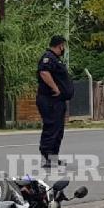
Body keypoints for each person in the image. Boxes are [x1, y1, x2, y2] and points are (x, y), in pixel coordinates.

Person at [36, 35, 74, 168]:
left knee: (58, 130)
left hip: (58, 101)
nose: (64, 49)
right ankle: (48, 157)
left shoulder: (56, 59)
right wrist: (55, 88)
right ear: (60, 45)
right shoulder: (48, 58)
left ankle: (53, 157)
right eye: (64, 46)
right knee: (51, 128)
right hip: (50, 100)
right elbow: (44, 73)